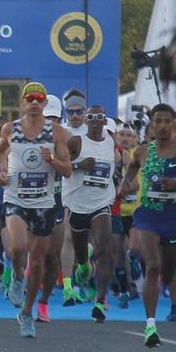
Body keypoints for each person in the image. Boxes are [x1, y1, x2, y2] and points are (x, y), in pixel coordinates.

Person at [117, 104, 176, 347]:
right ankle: (150, 325)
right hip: (148, 215)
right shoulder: (143, 151)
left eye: (168, 122)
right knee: (152, 265)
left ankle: (169, 290)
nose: (164, 126)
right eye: (159, 122)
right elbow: (132, 168)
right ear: (152, 125)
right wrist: (124, 184)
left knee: (167, 272)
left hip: (174, 217)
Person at [0, 83, 73, 338]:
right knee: (18, 247)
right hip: (16, 197)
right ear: (23, 102)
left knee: (38, 262)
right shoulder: (11, 129)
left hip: (44, 202)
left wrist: (52, 160)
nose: (35, 102)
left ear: (44, 103)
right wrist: (1, 171)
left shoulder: (57, 133)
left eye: (40, 98)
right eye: (31, 98)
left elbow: (68, 170)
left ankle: (27, 313)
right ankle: (17, 276)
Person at [64, 104, 117, 323]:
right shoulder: (76, 142)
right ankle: (85, 265)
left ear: (105, 122)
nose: (95, 120)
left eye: (100, 117)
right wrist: (79, 166)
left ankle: (100, 301)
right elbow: (61, 166)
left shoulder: (110, 143)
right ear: (86, 120)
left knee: (104, 248)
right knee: (82, 257)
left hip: (101, 203)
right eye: (91, 117)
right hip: (77, 205)